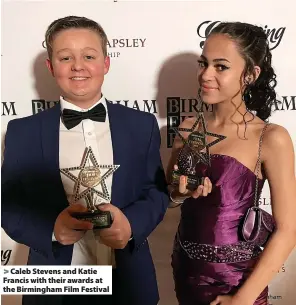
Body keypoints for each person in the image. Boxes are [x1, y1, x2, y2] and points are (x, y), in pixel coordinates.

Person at [1, 16, 169, 305]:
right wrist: (52, 229)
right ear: (51, 67)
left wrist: (130, 225)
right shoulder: (21, 132)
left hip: (128, 281)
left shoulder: (142, 125)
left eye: (89, 56)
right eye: (66, 57)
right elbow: (8, 206)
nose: (78, 66)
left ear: (105, 63)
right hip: (54, 283)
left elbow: (155, 192)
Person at [168, 22, 296, 305]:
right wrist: (179, 193)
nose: (206, 75)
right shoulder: (189, 128)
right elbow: (170, 195)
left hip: (237, 282)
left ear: (250, 74)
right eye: (203, 63)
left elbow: (289, 230)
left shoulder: (270, 137)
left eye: (221, 66)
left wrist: (243, 299)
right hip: (186, 270)